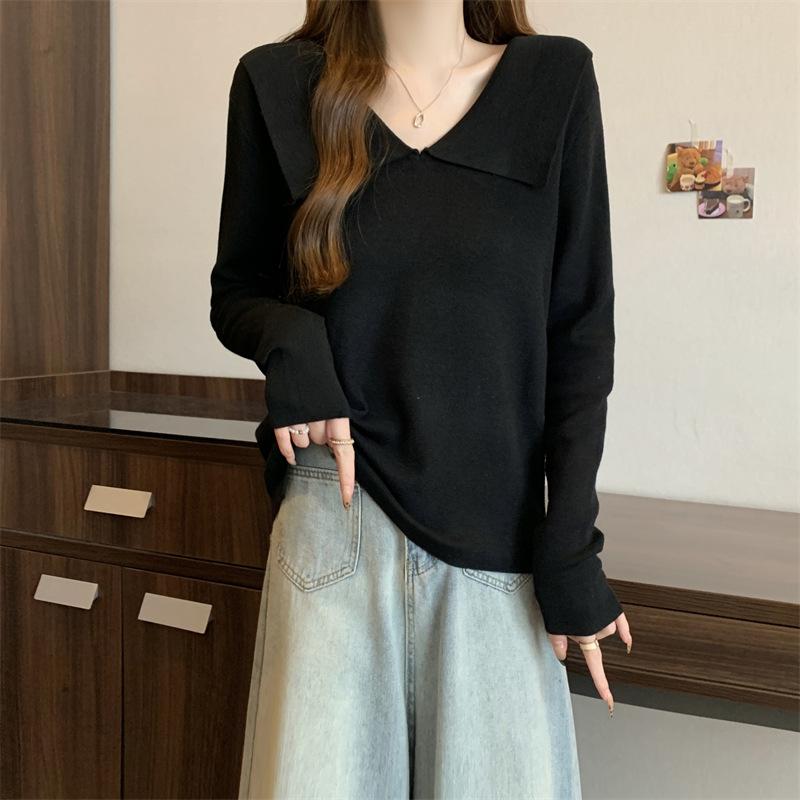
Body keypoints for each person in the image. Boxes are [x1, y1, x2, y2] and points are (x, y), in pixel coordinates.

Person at [209, 1, 633, 797]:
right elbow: (237, 291)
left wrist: (571, 546)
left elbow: (580, 330)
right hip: (334, 520)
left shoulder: (554, 82)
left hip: (497, 540)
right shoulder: (277, 84)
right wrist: (293, 342)